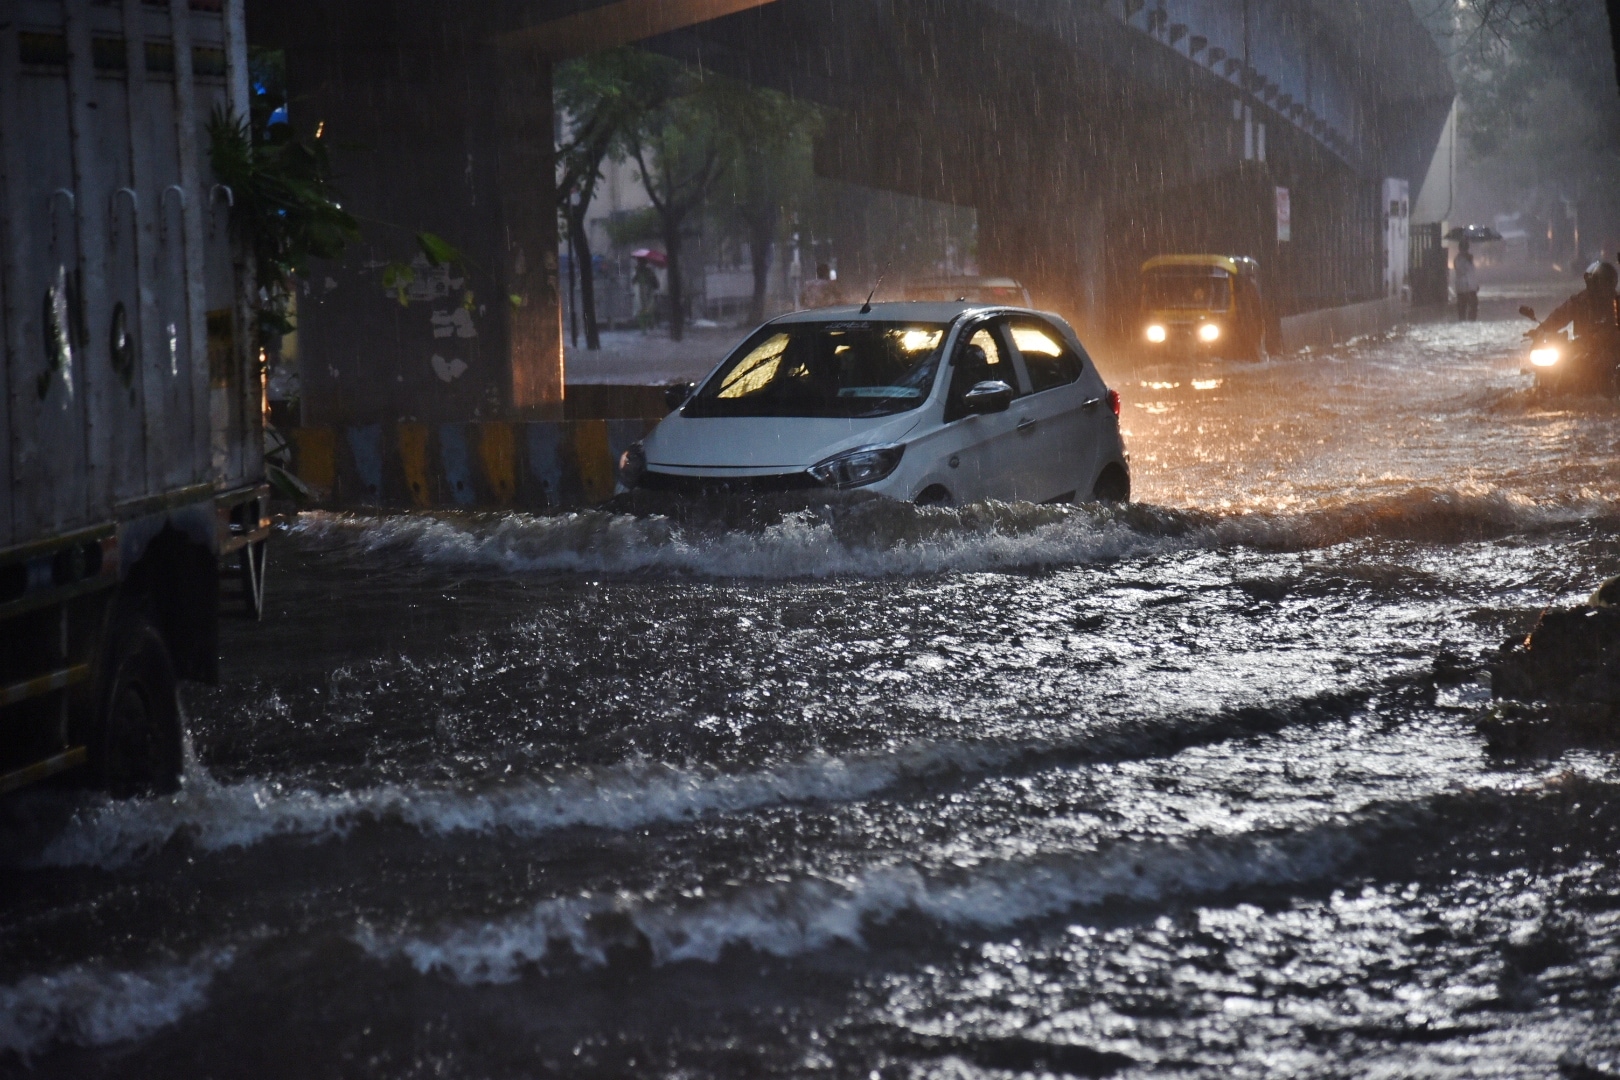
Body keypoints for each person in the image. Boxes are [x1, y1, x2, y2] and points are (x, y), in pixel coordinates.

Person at [1535, 259, 1620, 356]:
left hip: (1612, 352)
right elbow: (1560, 315)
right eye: (1601, 282)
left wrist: (1609, 335)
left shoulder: (1617, 302)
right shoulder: (1579, 301)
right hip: (1583, 350)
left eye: (1607, 282)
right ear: (1593, 283)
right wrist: (1541, 329)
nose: (1604, 287)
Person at [1453, 238, 1478, 321]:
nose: (1466, 250)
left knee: (1473, 307)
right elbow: (1461, 271)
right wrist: (1467, 259)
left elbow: (1472, 273)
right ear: (1460, 249)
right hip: (1463, 288)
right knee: (1462, 309)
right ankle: (1464, 323)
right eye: (1464, 248)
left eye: (1466, 248)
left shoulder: (1469, 259)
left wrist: (1475, 284)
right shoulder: (1458, 259)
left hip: (1471, 287)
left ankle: (1471, 323)